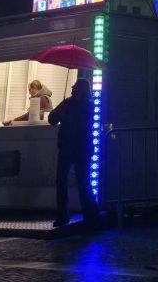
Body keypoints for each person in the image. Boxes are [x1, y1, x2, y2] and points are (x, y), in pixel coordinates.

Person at [48, 78, 100, 229]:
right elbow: (52, 119)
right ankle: (74, 216)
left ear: (81, 88)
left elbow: (82, 122)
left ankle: (89, 217)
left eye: (75, 85)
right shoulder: (69, 103)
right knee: (65, 181)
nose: (72, 87)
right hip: (70, 147)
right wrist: (59, 112)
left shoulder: (87, 105)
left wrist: (63, 113)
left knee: (82, 182)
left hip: (79, 148)